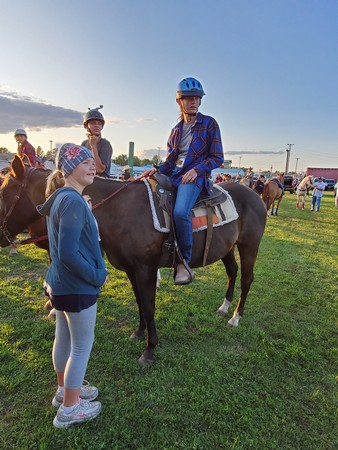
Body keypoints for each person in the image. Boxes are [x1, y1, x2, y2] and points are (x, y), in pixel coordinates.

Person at [37, 143, 108, 428]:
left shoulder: (64, 198)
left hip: (61, 284)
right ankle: (69, 408)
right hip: (78, 286)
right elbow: (67, 253)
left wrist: (85, 209)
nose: (93, 166)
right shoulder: (72, 201)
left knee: (64, 339)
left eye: (93, 162)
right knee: (81, 347)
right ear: (68, 169)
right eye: (85, 162)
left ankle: (63, 391)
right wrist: (96, 275)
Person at [142, 77, 224, 285]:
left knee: (180, 212)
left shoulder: (209, 124)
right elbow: (170, 161)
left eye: (196, 98)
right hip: (176, 175)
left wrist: (197, 170)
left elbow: (217, 157)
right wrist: (157, 169)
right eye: (188, 98)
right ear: (180, 102)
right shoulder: (176, 130)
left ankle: (183, 262)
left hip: (196, 178)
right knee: (147, 196)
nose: (193, 101)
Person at [81, 106, 113, 178]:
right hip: (87, 179)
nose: (97, 126)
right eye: (93, 123)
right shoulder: (84, 144)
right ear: (87, 126)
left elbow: (100, 169)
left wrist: (93, 146)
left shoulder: (105, 144)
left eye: (99, 123)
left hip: (101, 182)